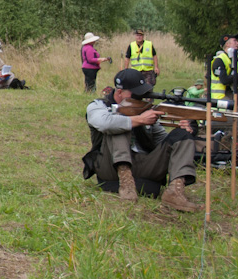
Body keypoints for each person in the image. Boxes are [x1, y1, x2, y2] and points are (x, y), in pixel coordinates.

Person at [84, 69, 201, 212]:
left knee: (181, 136)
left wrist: (185, 130)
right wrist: (139, 120)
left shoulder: (143, 111)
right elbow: (104, 123)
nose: (141, 98)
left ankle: (175, 192)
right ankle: (125, 181)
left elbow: (162, 143)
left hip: (143, 165)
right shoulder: (98, 106)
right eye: (136, 94)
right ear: (120, 93)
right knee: (118, 124)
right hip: (110, 166)